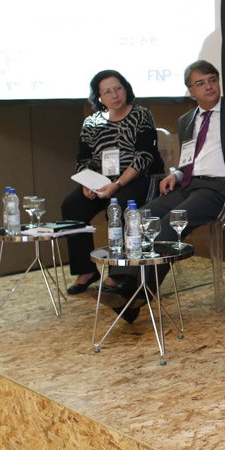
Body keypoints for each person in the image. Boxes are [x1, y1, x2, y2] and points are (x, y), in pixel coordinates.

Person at [100, 59, 225, 316]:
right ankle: (122, 283)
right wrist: (175, 173)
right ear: (191, 90)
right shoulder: (186, 120)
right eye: (200, 83)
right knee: (137, 219)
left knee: (167, 226)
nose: (209, 86)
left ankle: (137, 293)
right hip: (188, 185)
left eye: (212, 80)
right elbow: (189, 160)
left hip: (221, 188)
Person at [61, 69, 161, 295]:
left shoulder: (141, 115)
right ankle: (86, 271)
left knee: (118, 205)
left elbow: (145, 156)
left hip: (137, 178)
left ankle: (119, 273)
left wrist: (116, 185)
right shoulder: (91, 122)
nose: (114, 95)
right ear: (99, 97)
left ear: (126, 89)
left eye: (118, 88)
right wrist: (87, 183)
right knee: (72, 206)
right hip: (101, 181)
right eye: (107, 92)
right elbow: (83, 159)